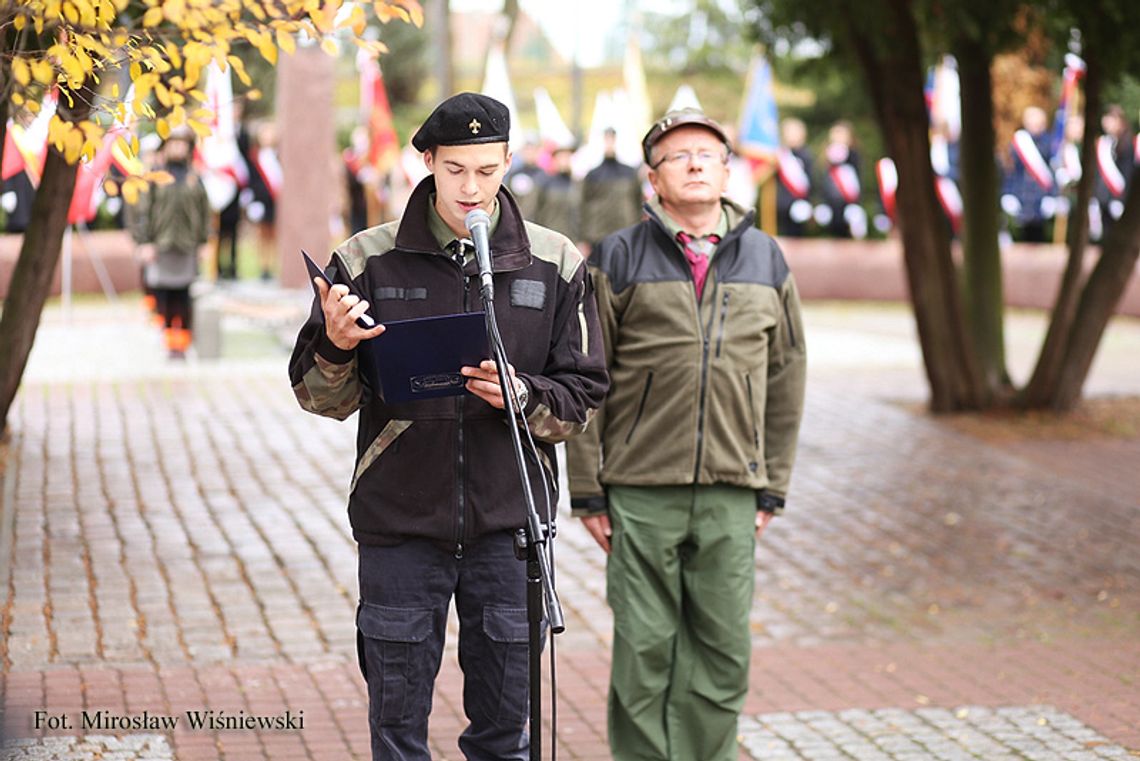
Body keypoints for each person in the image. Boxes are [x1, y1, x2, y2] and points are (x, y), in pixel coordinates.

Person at [288, 92, 609, 761]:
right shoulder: (367, 259)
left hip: (508, 530)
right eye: (455, 169)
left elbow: (582, 395)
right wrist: (338, 346)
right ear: (427, 161)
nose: (471, 188)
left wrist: (522, 394)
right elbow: (319, 398)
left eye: (487, 171)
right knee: (397, 731)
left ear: (507, 164)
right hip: (401, 527)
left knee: (503, 735)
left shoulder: (553, 263)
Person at [566, 108, 807, 761]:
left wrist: (772, 486)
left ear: (729, 170)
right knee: (645, 649)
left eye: (707, 153)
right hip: (641, 490)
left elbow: (786, 379)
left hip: (734, 489)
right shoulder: (618, 255)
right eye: (678, 156)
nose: (695, 163)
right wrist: (588, 491)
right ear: (653, 178)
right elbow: (586, 378)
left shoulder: (765, 257)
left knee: (723, 649)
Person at [132, 127, 212, 359]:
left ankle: (183, 342)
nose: (177, 148)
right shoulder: (156, 177)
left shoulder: (194, 178)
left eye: (182, 144)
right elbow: (145, 211)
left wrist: (204, 241)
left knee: (184, 294)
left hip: (187, 244)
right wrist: (145, 241)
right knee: (164, 293)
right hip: (162, 243)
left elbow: (204, 211)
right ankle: (169, 342)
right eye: (173, 143)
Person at [580, 127, 644, 255]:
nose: (609, 144)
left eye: (612, 139)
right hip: (598, 236)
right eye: (606, 139)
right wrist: (584, 237)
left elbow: (638, 202)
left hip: (625, 234)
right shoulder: (593, 175)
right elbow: (584, 205)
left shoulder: (630, 173)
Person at [1001, 105, 1057, 243]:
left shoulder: (1050, 143)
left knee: (1040, 239)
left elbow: (1053, 170)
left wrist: (1053, 195)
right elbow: (1012, 171)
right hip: (1022, 194)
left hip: (1041, 195)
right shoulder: (1019, 142)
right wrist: (1008, 193)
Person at [816, 120, 866, 238]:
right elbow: (822, 181)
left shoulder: (854, 156)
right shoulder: (826, 157)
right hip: (831, 203)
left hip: (848, 202)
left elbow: (858, 181)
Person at [1092, 104, 1135, 243]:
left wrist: (1120, 198)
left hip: (1118, 197)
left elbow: (1127, 173)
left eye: (1110, 119)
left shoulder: (1127, 143)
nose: (1106, 122)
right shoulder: (1104, 143)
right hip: (1102, 198)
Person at [532, 143, 582, 245]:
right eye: (561, 157)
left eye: (567, 156)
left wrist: (582, 240)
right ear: (555, 159)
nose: (564, 160)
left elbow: (582, 214)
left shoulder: (577, 184)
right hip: (549, 240)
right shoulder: (544, 183)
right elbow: (533, 212)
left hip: (572, 242)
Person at [775, 117, 814, 237]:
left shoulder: (806, 154)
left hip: (800, 203)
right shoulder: (780, 154)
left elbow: (810, 181)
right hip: (782, 204)